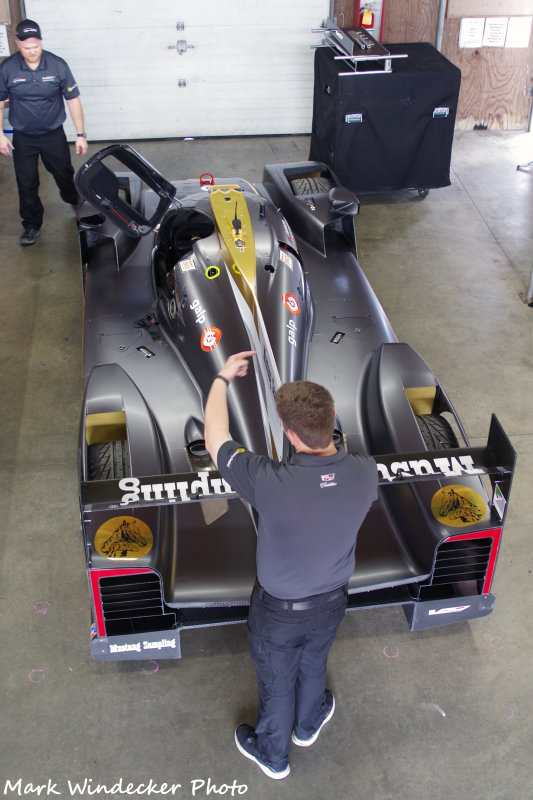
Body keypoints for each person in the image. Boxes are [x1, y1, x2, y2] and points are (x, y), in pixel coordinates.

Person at [204, 351, 379, 780]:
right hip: (334, 599)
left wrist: (222, 380)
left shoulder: (268, 480)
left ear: (288, 432)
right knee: (315, 659)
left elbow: (215, 440)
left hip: (278, 610)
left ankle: (273, 754)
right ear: (333, 416)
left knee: (277, 681)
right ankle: (308, 723)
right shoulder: (364, 470)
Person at [0, 19, 88, 246]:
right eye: (27, 47)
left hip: (53, 134)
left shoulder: (57, 65)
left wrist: (80, 134)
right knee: (26, 182)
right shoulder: (8, 68)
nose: (32, 51)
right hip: (23, 137)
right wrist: (0, 135)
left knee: (64, 174)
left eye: (36, 46)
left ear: (41, 41)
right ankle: (31, 224)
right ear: (18, 43)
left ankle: (74, 201)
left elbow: (73, 100)